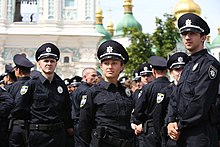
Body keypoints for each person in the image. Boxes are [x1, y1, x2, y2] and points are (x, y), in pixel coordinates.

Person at [167, 13, 220, 147]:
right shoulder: (188, 65)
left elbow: (200, 102)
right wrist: (170, 121)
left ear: (203, 37)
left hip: (200, 134)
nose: (187, 37)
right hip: (182, 132)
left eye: (192, 33)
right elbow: (175, 97)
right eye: (184, 34)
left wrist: (179, 125)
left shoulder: (209, 64)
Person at [11, 43, 74, 147]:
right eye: (45, 61)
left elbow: (66, 109)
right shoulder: (31, 84)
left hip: (58, 135)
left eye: (52, 61)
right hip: (37, 135)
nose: (49, 64)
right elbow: (19, 109)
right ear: (39, 63)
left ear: (56, 63)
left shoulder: (61, 85)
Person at [78, 40, 135, 147]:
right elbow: (83, 127)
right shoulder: (92, 93)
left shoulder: (126, 93)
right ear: (101, 66)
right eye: (106, 63)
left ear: (122, 66)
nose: (110, 67)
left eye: (114, 63)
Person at [152, 52, 189, 147]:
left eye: (183, 69)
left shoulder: (195, 90)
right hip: (172, 139)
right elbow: (158, 117)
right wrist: (162, 137)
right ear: (171, 72)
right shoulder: (165, 91)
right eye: (177, 69)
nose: (180, 72)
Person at [133, 56, 170, 147]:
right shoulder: (173, 87)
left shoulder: (148, 88)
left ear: (153, 71)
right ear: (167, 70)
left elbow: (138, 111)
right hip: (168, 128)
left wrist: (140, 122)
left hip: (150, 129)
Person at [8, 54, 35, 147]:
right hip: (34, 127)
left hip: (16, 126)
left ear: (18, 70)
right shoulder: (36, 85)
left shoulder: (12, 87)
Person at [71, 67, 98, 146]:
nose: (96, 78)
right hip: (84, 125)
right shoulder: (86, 91)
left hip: (78, 124)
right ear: (85, 77)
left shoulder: (79, 89)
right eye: (93, 76)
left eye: (96, 76)